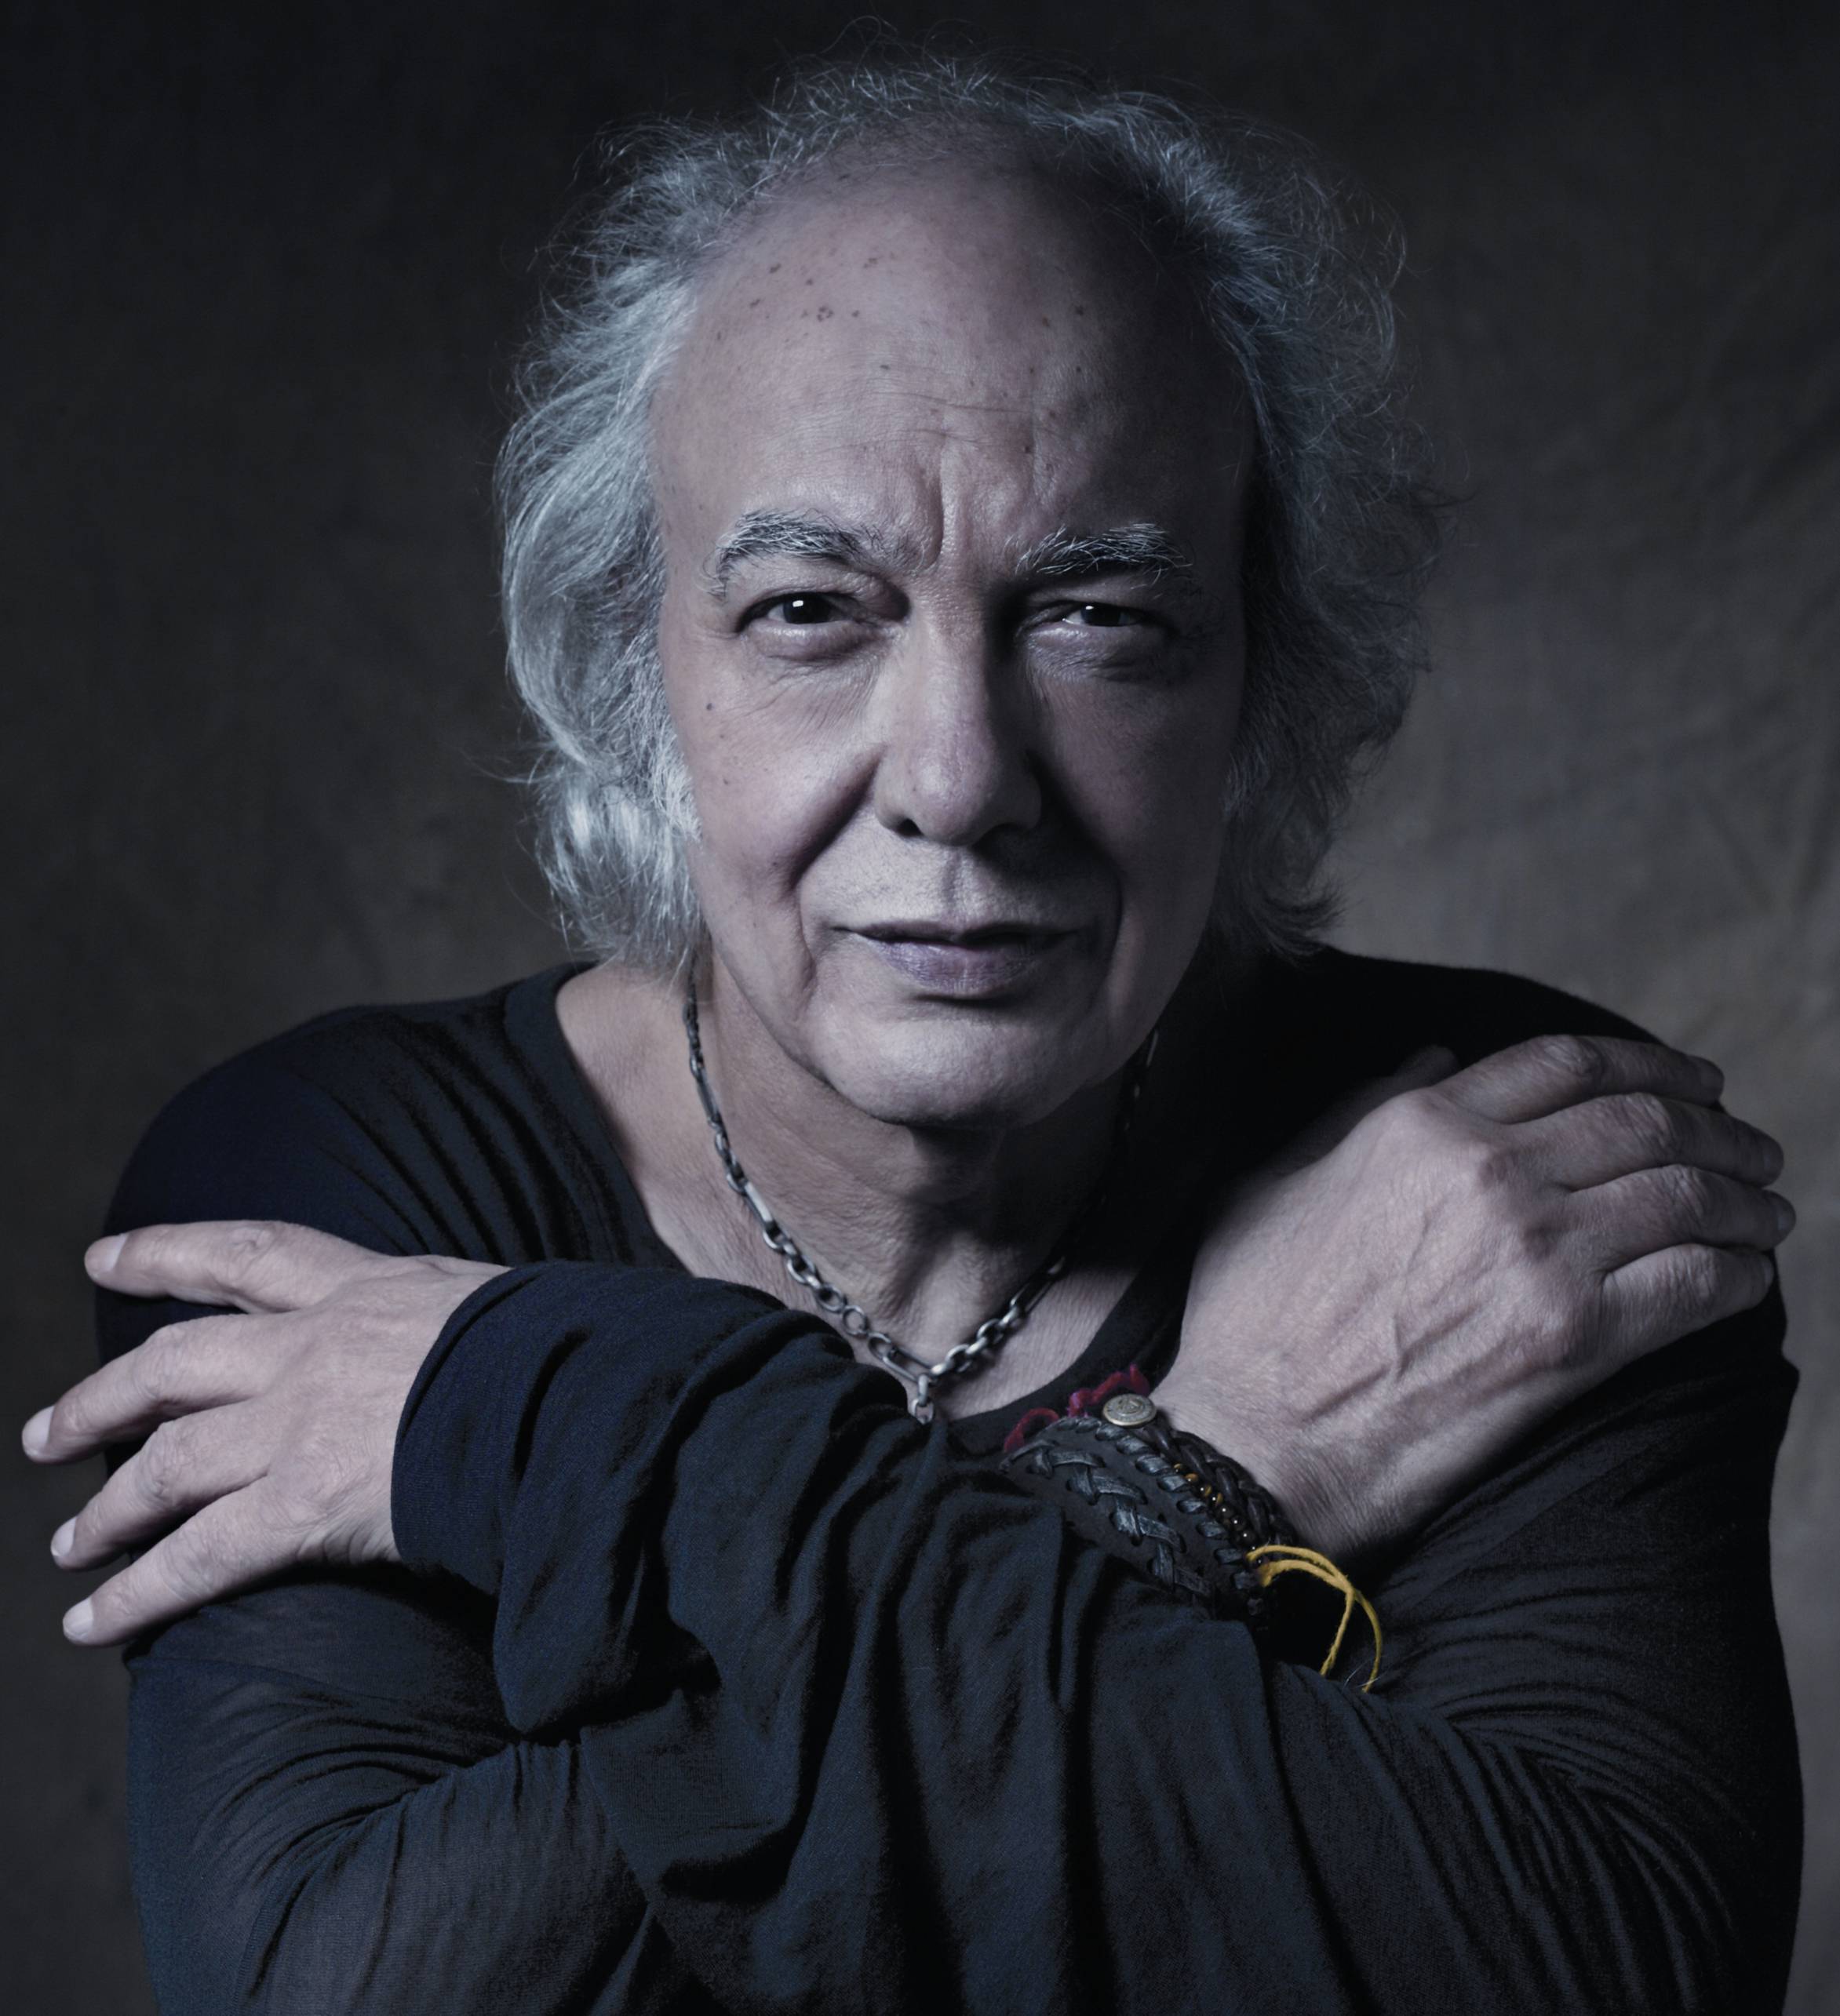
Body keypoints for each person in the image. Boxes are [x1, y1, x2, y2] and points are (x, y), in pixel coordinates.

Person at [22, 51, 1801, 2015]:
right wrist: (1212, 1469)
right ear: (639, 667)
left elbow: (1595, 1977)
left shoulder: (1505, 1179)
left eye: (1100, 616)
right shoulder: (332, 1182)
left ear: (1262, 675)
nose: (960, 779)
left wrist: (548, 1416)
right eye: (812, 610)